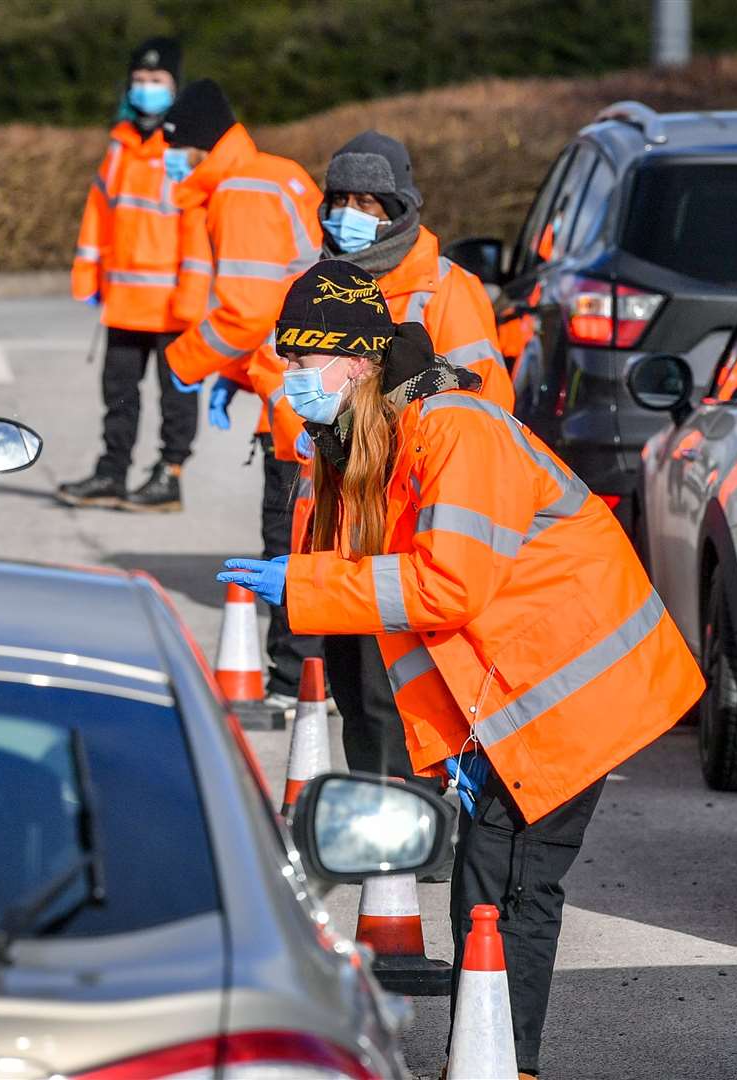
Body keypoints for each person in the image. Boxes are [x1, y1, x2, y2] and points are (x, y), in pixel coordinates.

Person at [219, 260, 703, 1079]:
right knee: (488, 872)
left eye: (301, 366)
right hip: (523, 693)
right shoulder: (387, 439)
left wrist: (300, 585)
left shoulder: (454, 431)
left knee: (507, 883)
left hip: (572, 688)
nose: (288, 381)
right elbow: (402, 608)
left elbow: (447, 585)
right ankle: (492, 1056)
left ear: (357, 362)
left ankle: (501, 1060)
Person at [252, 129, 514, 778]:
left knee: (402, 687)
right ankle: (379, 805)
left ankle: (412, 811)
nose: (351, 215)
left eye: (370, 203)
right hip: (335, 505)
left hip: (412, 514)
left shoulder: (444, 288)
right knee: (354, 681)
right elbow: (278, 366)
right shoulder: (315, 280)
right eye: (340, 199)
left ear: (400, 208)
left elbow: (487, 404)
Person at [159, 78, 324, 709]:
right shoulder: (271, 174)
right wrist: (232, 376)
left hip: (293, 394)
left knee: (290, 535)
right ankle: (310, 672)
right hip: (296, 378)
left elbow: (249, 311)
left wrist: (189, 362)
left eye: (175, 148)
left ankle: (295, 682)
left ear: (198, 145)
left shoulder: (240, 194)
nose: (171, 161)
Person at [58, 37, 211, 512]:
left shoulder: (188, 147)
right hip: (124, 299)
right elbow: (98, 214)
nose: (147, 88)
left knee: (176, 396)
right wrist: (87, 275)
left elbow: (199, 223)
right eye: (140, 80)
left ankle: (169, 475)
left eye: (157, 80)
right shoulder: (120, 145)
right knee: (119, 393)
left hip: (174, 301)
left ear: (175, 86)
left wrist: (194, 292)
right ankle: (112, 472)